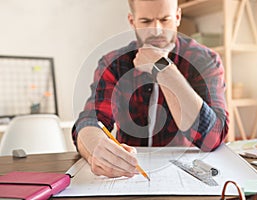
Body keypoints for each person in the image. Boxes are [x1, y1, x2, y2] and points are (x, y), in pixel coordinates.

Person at [72, 0, 228, 178]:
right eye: (146, 21)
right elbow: (90, 121)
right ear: (133, 21)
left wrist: (162, 68)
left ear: (177, 17)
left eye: (165, 19)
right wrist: (95, 149)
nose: (157, 31)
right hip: (130, 175)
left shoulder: (204, 59)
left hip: (189, 174)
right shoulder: (114, 63)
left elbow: (213, 137)